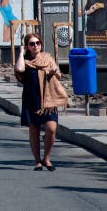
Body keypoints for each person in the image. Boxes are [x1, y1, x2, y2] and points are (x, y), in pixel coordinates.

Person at [14, 33, 68, 171]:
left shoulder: (47, 58)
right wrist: (20, 52)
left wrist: (52, 73)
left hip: (49, 99)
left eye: (37, 43)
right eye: (32, 44)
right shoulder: (25, 61)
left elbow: (58, 74)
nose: (35, 46)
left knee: (51, 129)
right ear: (27, 46)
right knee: (34, 131)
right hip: (32, 99)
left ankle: (47, 158)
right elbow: (19, 69)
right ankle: (37, 161)